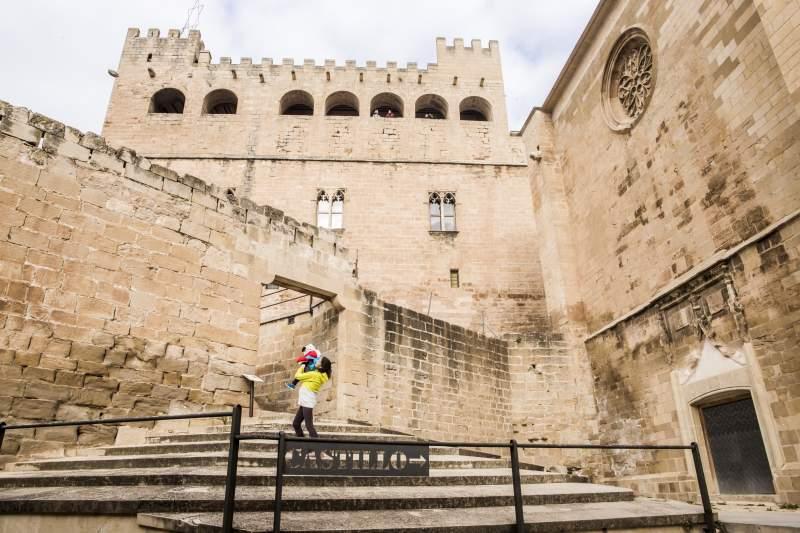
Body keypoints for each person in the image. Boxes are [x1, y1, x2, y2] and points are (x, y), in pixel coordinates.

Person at [292, 355, 332, 438]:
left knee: (309, 425)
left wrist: (302, 366)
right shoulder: (320, 375)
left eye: (318, 361)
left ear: (321, 366)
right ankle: (303, 444)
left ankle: (318, 448)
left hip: (307, 401)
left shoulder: (315, 375)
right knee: (296, 424)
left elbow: (297, 376)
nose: (316, 361)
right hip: (305, 400)